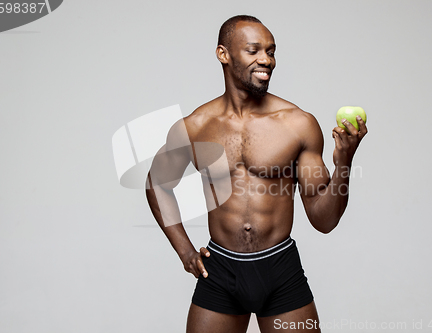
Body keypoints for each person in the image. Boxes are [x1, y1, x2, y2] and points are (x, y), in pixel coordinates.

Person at [146, 15, 368, 333]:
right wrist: (185, 251)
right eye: (254, 50)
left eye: (271, 51)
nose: (266, 60)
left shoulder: (297, 123)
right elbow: (157, 182)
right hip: (219, 271)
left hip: (280, 270)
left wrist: (344, 161)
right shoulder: (195, 126)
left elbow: (324, 220)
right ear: (224, 54)